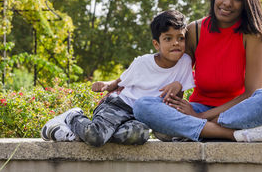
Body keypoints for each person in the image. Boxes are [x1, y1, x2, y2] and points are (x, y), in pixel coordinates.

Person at [133, 0, 262, 142]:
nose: (227, 3)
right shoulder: (194, 30)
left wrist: (202, 118)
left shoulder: (254, 36)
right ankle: (233, 134)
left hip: (236, 112)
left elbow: (251, 93)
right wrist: (175, 90)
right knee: (142, 106)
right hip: (196, 109)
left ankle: (188, 130)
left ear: (246, 2)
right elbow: (177, 72)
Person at [41, 10, 195, 147]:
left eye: (180, 38)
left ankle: (105, 132)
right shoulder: (143, 62)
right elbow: (118, 82)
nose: (175, 43)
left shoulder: (185, 62)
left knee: (139, 134)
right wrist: (106, 86)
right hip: (120, 106)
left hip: (139, 118)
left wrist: (178, 87)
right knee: (95, 137)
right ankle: (73, 116)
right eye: (168, 39)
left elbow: (175, 100)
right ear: (156, 44)